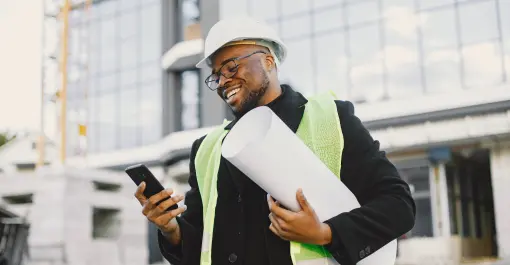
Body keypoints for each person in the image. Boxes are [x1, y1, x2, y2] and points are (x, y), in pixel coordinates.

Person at [134, 17, 416, 265]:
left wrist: (325, 233)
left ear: (269, 60)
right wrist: (171, 228)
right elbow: (201, 246)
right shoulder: (207, 149)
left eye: (231, 67)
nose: (222, 81)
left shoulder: (331, 118)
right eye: (216, 75)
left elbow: (398, 206)